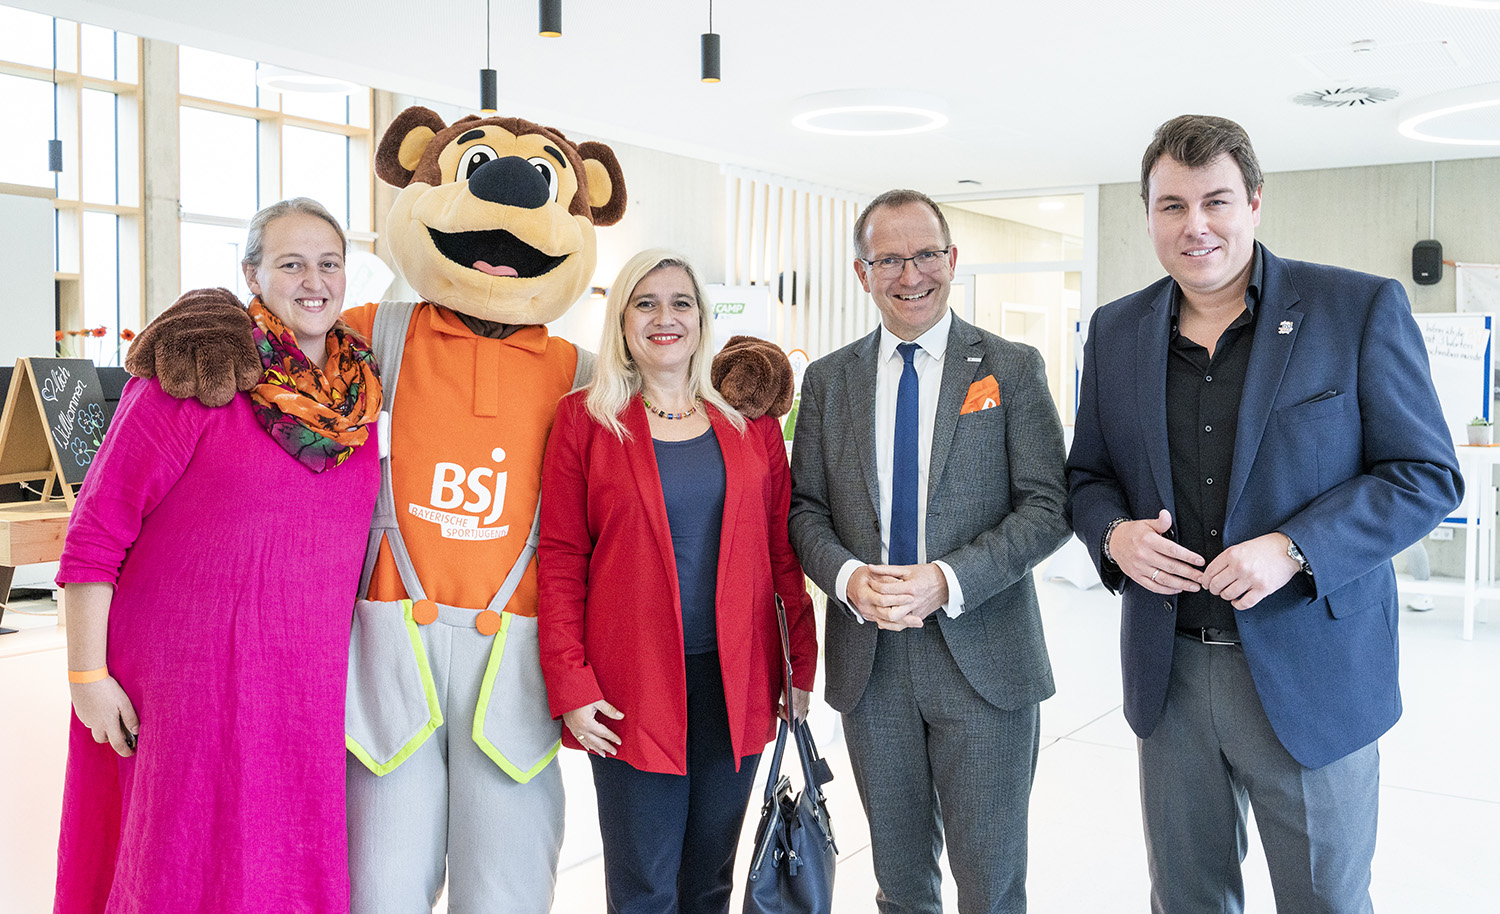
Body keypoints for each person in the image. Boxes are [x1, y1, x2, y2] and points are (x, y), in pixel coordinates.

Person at [1065, 115, 1463, 914]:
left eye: (1216, 201)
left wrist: (1294, 547)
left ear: (1253, 203)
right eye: (1172, 205)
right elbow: (1088, 476)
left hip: (1311, 671)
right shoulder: (1115, 331)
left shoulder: (1355, 308)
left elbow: (1425, 476)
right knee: (1186, 898)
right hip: (1170, 675)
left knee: (1324, 901)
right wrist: (1114, 535)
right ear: (1149, 215)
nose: (1196, 225)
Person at [54, 197, 382, 912]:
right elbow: (95, 534)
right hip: (183, 687)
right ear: (252, 275)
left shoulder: (361, 402)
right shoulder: (196, 376)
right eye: (290, 264)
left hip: (303, 689)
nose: (314, 281)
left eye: (328, 263)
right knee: (177, 863)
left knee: (281, 863)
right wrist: (86, 676)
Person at [788, 190, 1070, 914]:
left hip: (985, 661)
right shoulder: (829, 381)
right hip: (872, 664)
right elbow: (804, 509)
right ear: (862, 273)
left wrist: (948, 579)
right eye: (889, 259)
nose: (910, 275)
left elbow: (1049, 507)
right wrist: (848, 578)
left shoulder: (1010, 367)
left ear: (952, 259)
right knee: (901, 882)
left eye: (925, 255)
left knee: (991, 884)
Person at [538, 249, 818, 914]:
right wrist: (571, 681)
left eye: (680, 303)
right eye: (646, 303)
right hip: (630, 687)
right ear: (622, 320)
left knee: (710, 881)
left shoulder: (750, 424)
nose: (665, 318)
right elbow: (561, 557)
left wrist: (798, 666)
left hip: (737, 679)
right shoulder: (584, 420)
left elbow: (781, 553)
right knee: (644, 888)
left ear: (701, 319)